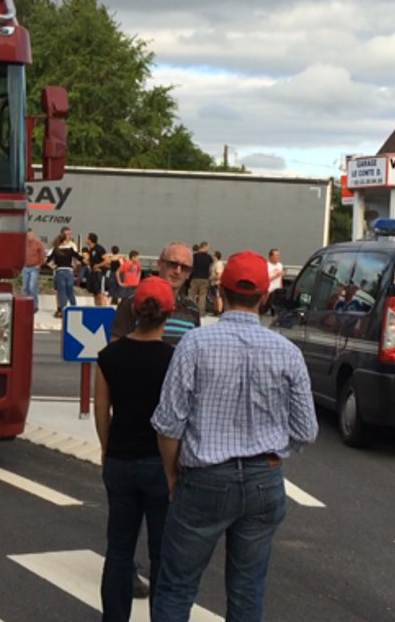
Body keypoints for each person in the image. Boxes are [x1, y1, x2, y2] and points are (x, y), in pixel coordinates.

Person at [149, 250, 318, 622]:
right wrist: (272, 452)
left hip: (205, 479)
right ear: (265, 297)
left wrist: (172, 474)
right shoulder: (288, 353)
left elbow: (168, 424)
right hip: (264, 482)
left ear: (220, 293)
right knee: (247, 591)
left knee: (176, 586)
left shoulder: (194, 344)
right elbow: (307, 430)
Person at [95, 277, 176, 621]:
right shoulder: (173, 358)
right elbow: (175, 415)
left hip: (120, 459)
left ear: (132, 309)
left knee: (119, 549)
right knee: (161, 551)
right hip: (158, 462)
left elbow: (102, 409)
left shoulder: (109, 355)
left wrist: (105, 446)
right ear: (168, 314)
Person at [111, 242, 201, 344]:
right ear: (159, 264)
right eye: (172, 264)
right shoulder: (131, 303)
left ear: (189, 273)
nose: (178, 271)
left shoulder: (192, 309)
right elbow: (116, 349)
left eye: (184, 267)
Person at [47, 227, 82, 318]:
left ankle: (63, 310)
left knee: (61, 291)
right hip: (69, 270)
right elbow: (79, 256)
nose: (69, 236)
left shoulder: (55, 248)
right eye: (67, 234)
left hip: (59, 270)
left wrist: (54, 266)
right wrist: (75, 264)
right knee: (69, 291)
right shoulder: (71, 247)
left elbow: (47, 259)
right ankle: (74, 309)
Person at [23, 229, 47, 313]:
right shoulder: (23, 244)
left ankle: (34, 305)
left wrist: (39, 264)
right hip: (25, 267)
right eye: (27, 235)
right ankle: (25, 305)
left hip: (34, 268)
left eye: (30, 235)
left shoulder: (38, 244)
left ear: (33, 234)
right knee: (25, 288)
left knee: (32, 287)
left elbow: (42, 255)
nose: (28, 236)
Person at [87, 232, 113, 306]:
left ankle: (103, 309)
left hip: (99, 274)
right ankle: (97, 308)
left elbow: (107, 260)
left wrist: (98, 265)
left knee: (100, 293)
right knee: (95, 293)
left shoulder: (99, 248)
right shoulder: (90, 250)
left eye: (87, 238)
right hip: (93, 273)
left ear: (90, 240)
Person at [188, 242, 212, 318]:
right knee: (202, 296)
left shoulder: (194, 256)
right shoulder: (209, 257)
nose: (208, 249)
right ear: (204, 247)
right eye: (208, 247)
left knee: (191, 294)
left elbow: (191, 267)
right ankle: (201, 312)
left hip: (195, 277)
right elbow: (210, 268)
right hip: (204, 278)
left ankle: (189, 310)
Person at [263, 248, 284, 315]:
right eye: (276, 255)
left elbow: (280, 278)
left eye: (279, 255)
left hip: (277, 290)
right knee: (265, 309)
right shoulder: (266, 265)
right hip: (269, 290)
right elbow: (265, 279)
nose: (278, 257)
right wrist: (275, 276)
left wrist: (281, 287)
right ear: (271, 256)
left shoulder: (280, 265)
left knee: (275, 310)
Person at [208, 250, 225, 315]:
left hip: (217, 283)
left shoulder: (218, 264)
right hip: (213, 283)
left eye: (213, 255)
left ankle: (219, 310)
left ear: (216, 256)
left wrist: (211, 278)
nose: (212, 256)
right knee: (214, 297)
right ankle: (215, 310)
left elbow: (219, 275)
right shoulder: (214, 264)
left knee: (218, 297)